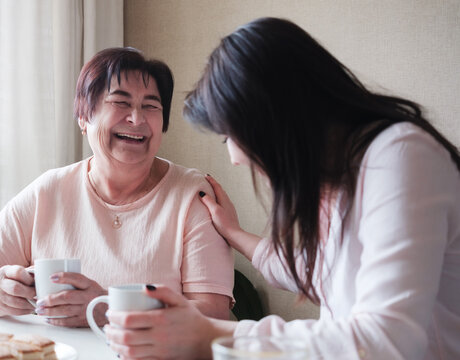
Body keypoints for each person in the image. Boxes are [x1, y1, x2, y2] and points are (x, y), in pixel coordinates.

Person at [103, 18, 460, 359]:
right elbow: (310, 270)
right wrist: (234, 233)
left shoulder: (399, 156)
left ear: (269, 115)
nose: (235, 158)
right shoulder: (343, 178)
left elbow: (385, 342)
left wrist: (214, 334)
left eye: (228, 135)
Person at [0, 47, 234, 328]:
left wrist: (108, 307)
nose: (137, 118)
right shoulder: (49, 191)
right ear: (84, 117)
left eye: (151, 106)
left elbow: (213, 312)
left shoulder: (192, 194)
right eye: (120, 102)